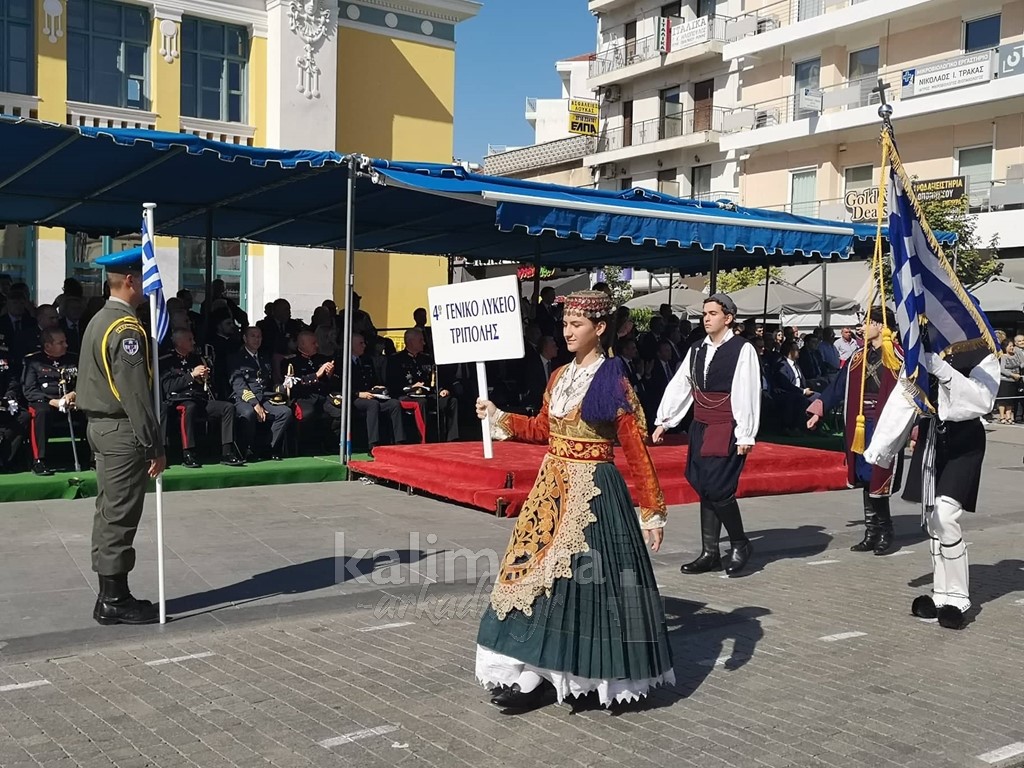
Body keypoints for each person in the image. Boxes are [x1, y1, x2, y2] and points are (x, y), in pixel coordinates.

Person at [474, 290, 673, 713]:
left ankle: (567, 673)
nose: (567, 331)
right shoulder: (559, 375)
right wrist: (498, 415)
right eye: (565, 324)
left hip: (594, 494)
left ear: (599, 328)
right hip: (551, 490)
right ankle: (533, 670)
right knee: (535, 579)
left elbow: (636, 450)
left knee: (583, 586)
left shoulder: (613, 381)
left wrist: (652, 510)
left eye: (576, 324)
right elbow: (542, 429)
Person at [864, 347, 999, 630]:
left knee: (946, 516)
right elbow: (904, 395)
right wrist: (882, 445)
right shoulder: (925, 349)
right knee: (933, 521)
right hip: (932, 438)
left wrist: (941, 369)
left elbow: (982, 400)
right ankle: (941, 594)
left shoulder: (982, 353)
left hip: (964, 441)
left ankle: (958, 596)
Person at [76, 249, 166, 625]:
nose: (149, 286)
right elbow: (135, 394)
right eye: (145, 279)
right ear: (130, 280)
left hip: (100, 427)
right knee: (120, 515)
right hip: (122, 431)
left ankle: (110, 595)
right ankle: (114, 599)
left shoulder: (99, 319)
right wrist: (153, 444)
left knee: (108, 511)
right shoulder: (126, 328)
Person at [653, 293, 761, 576]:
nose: (707, 318)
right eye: (705, 314)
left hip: (726, 425)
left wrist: (745, 434)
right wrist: (665, 420)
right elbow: (681, 384)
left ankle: (739, 543)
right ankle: (710, 552)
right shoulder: (697, 348)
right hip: (701, 424)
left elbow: (747, 390)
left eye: (713, 313)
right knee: (703, 484)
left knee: (718, 486)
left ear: (728, 318)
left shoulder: (742, 349)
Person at [806, 307, 903, 555]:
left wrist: (913, 430)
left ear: (880, 326)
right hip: (861, 423)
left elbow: (911, 394)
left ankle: (886, 531)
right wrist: (819, 410)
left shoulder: (899, 357)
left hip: (885, 425)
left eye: (868, 322)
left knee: (878, 476)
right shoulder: (858, 357)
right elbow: (838, 386)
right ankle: (871, 533)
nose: (862, 327)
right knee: (864, 476)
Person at [159, 329, 245, 469]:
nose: (193, 342)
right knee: (188, 407)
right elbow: (168, 387)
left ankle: (227, 452)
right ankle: (188, 453)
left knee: (227, 407)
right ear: (179, 342)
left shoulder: (196, 359)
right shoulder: (167, 361)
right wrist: (191, 375)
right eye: (189, 339)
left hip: (199, 399)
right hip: (178, 401)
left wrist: (204, 378)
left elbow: (205, 385)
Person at [21, 328, 85, 475]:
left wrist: (73, 395)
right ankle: (39, 460)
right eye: (60, 343)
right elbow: (30, 390)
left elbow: (84, 382)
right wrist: (53, 401)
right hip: (47, 403)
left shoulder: (73, 359)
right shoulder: (33, 361)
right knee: (40, 412)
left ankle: (93, 457)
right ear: (48, 346)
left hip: (71, 402)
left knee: (90, 409)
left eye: (65, 341)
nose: (66, 345)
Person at [228, 326, 293, 461]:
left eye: (259, 336)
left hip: (264, 397)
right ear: (245, 338)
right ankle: (246, 449)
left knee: (284, 412)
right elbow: (239, 385)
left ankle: (267, 448)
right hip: (243, 398)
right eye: (253, 336)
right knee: (248, 413)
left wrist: (282, 387)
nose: (256, 339)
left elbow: (268, 383)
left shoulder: (264, 357)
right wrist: (255, 404)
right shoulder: (235, 358)